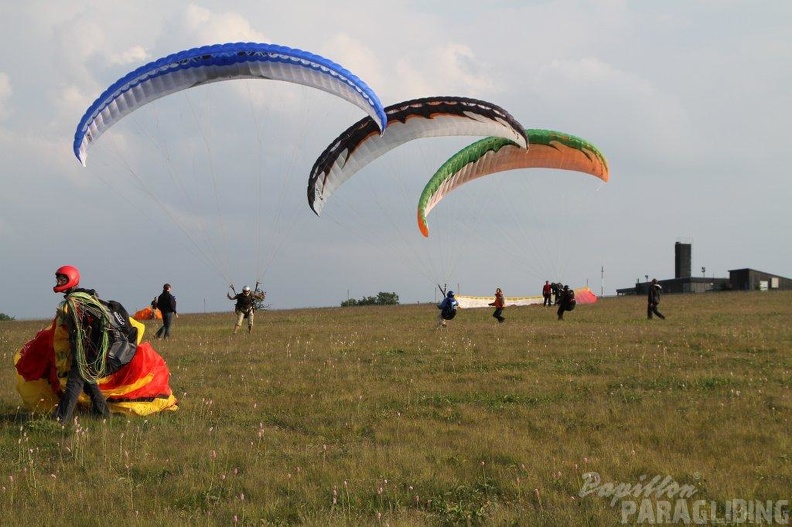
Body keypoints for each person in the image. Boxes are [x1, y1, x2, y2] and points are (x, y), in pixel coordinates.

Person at [51, 265, 137, 423]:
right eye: (58, 278)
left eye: (62, 279)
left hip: (86, 348)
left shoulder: (75, 301)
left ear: (71, 280)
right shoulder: (83, 297)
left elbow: (81, 326)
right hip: (89, 347)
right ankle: (103, 414)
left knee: (74, 384)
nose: (59, 281)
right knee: (88, 382)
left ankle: (60, 420)